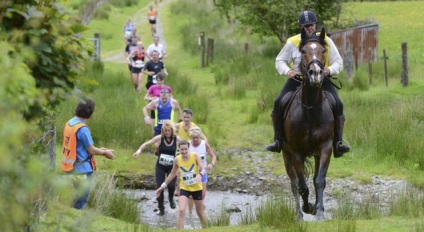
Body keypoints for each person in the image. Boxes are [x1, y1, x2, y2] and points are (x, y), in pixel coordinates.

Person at [267, 10, 350, 158]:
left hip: (321, 79)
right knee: (278, 102)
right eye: (306, 26)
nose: (309, 28)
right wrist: (288, 71)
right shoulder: (293, 42)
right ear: (301, 28)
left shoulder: (326, 41)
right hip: (297, 80)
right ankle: (278, 140)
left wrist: (328, 70)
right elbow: (280, 60)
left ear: (315, 25)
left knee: (338, 103)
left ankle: (338, 143)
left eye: (311, 25)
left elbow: (339, 62)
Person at [62, 98, 116, 210]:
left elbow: (79, 146)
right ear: (90, 113)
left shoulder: (69, 123)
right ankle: (76, 222)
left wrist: (99, 149)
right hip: (81, 169)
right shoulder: (83, 129)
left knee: (77, 196)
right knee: (82, 199)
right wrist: (104, 153)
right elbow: (91, 150)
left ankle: (73, 216)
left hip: (70, 166)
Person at [133, 120, 182, 216]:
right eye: (165, 131)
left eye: (169, 131)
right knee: (160, 187)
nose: (167, 133)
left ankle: (171, 198)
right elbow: (147, 144)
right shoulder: (159, 138)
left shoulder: (176, 139)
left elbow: (187, 144)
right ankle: (161, 208)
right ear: (163, 131)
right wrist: (138, 151)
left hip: (172, 167)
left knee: (171, 186)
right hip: (160, 166)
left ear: (172, 130)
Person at [156, 140, 207, 229]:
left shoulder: (195, 156)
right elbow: (172, 174)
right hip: (184, 188)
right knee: (181, 210)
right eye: (181, 150)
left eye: (185, 149)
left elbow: (203, 169)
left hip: (197, 187)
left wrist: (200, 174)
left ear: (188, 148)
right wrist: (162, 187)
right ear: (179, 149)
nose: (183, 152)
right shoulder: (177, 159)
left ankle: (207, 229)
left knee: (199, 212)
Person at [187, 127, 216, 215]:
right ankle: (190, 213)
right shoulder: (188, 145)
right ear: (191, 138)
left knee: (202, 194)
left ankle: (200, 212)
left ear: (200, 137)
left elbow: (213, 157)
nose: (195, 140)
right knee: (191, 195)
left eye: (197, 137)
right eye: (193, 138)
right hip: (191, 173)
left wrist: (212, 164)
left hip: (203, 172)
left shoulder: (204, 144)